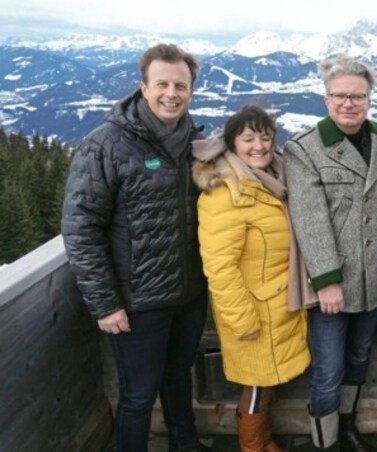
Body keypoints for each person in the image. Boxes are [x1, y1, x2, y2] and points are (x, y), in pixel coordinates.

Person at [61, 44, 210, 452]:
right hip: (137, 302)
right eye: (162, 83)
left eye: (181, 85)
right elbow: (81, 228)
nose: (171, 93)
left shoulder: (193, 142)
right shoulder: (106, 144)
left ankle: (186, 444)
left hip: (189, 295)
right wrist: (105, 303)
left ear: (191, 91)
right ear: (143, 87)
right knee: (138, 395)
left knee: (179, 378)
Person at [283, 55, 377, 452]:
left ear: (370, 99)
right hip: (334, 285)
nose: (348, 103)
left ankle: (347, 428)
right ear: (326, 98)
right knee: (328, 370)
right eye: (340, 96)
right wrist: (327, 281)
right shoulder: (305, 150)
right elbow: (310, 221)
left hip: (374, 282)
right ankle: (326, 443)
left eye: (357, 96)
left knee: (359, 360)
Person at [192, 105, 313, 452]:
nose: (258, 145)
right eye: (248, 138)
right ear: (232, 144)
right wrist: (242, 318)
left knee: (265, 384)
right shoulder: (224, 192)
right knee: (258, 387)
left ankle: (264, 442)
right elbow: (219, 266)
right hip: (254, 312)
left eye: (265, 136)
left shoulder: (272, 179)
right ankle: (252, 447)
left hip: (277, 307)